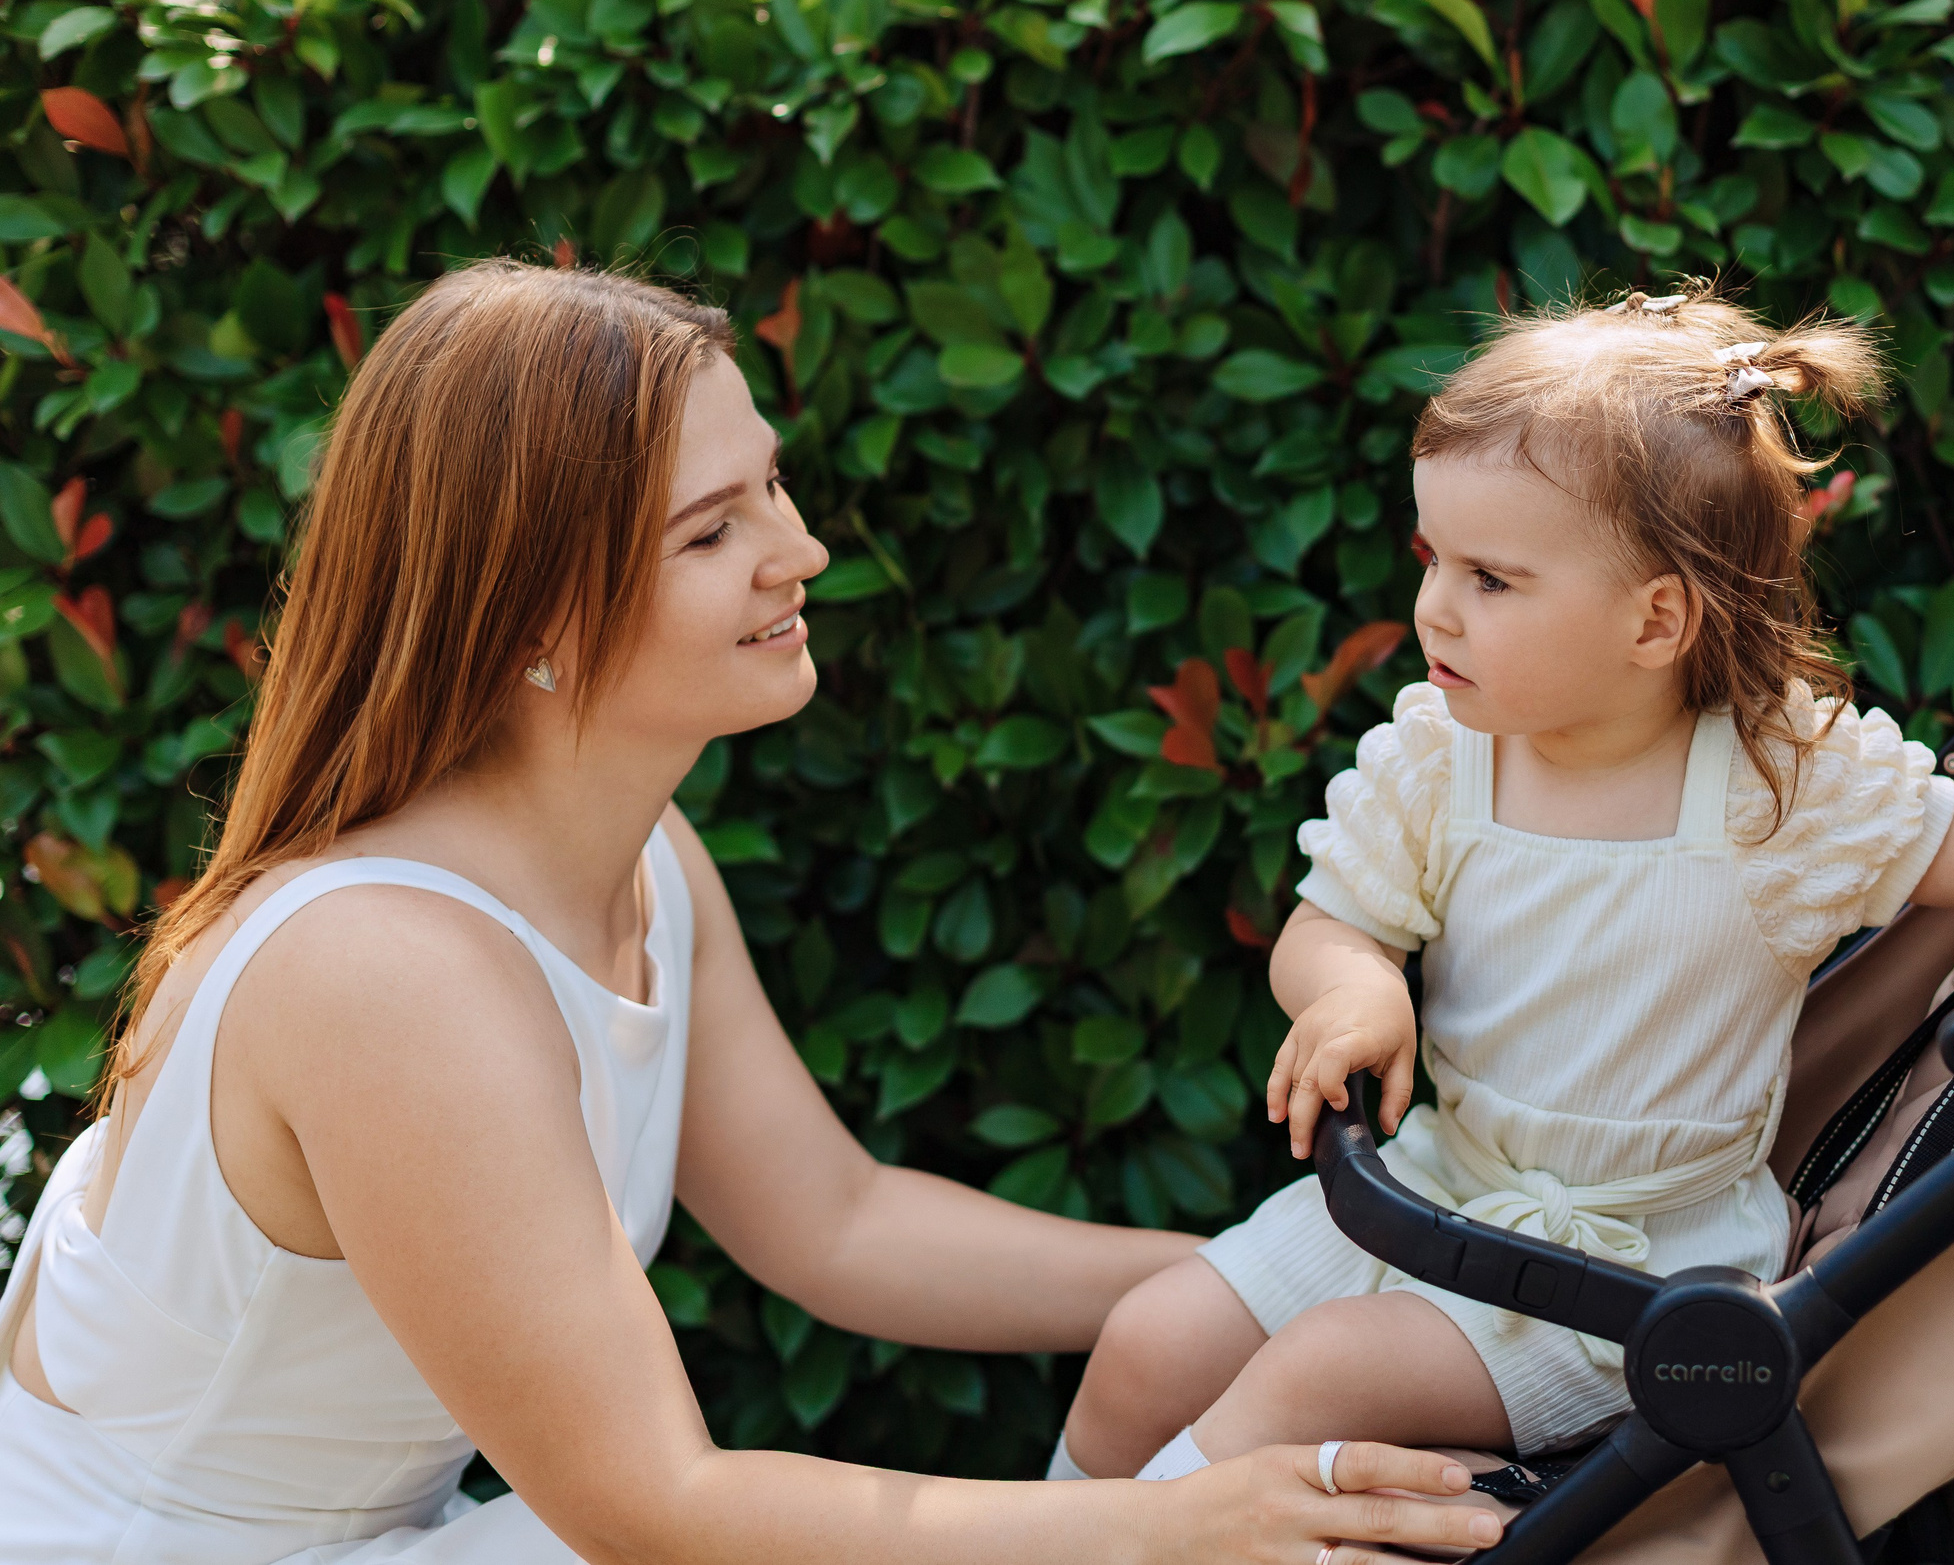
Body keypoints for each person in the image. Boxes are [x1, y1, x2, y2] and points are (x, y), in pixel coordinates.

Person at [0, 260, 1505, 1565]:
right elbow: (657, 1505)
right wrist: (1167, 1525)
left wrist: (1269, 1273)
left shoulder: (642, 855)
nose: (802, 551)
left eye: (769, 485)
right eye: (711, 530)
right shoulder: (387, 974)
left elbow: (837, 1224)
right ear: (531, 617)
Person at [1057, 285, 1954, 1482]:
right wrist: (1351, 992)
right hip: (1430, 1192)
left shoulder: (1774, 793)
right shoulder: (1444, 756)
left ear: (1655, 622)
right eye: (1433, 559)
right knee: (1148, 1341)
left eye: (1492, 579)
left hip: (1621, 1279)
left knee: (1324, 1378)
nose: (1434, 608)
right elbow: (1331, 925)